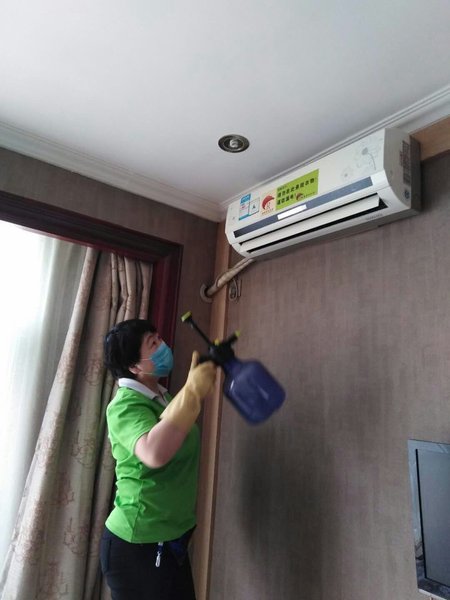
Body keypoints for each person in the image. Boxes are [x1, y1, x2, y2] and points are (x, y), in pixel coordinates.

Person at [100, 318, 217, 600]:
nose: (163, 346)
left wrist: (190, 390)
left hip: (170, 540)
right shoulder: (124, 405)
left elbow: (174, 432)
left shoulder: (162, 397)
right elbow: (154, 452)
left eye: (159, 338)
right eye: (153, 343)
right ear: (134, 366)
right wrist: (192, 391)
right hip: (137, 544)